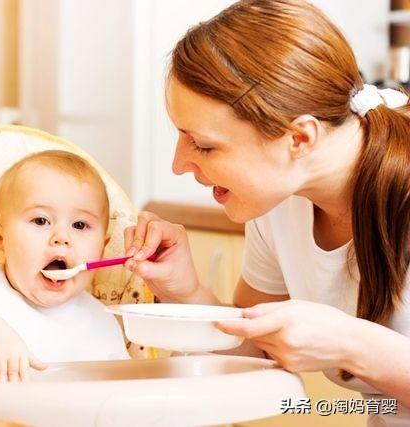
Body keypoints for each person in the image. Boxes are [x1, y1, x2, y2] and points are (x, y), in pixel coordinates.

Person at [123, 0, 410, 424]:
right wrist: (184, 291)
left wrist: (353, 344)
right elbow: (255, 347)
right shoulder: (279, 202)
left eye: (203, 144)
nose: (179, 164)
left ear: (299, 138)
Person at [0, 150, 129, 382]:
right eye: (40, 220)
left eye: (79, 224)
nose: (62, 237)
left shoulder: (101, 319)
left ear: (102, 250)